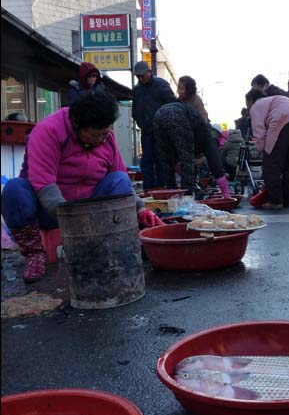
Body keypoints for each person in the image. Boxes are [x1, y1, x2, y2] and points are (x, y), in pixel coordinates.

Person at [1, 90, 161, 283]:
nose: (102, 139)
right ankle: (35, 254)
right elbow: (44, 185)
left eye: (106, 132)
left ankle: (106, 247)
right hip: (47, 211)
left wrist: (140, 208)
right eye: (95, 135)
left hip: (90, 210)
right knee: (14, 189)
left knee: (119, 179)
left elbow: (120, 178)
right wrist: (74, 222)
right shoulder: (49, 131)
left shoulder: (106, 138)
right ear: (77, 125)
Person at [153, 102, 231, 197]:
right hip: (177, 115)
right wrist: (226, 194)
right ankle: (187, 199)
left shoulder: (198, 132)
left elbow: (173, 159)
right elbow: (215, 162)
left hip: (158, 115)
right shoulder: (208, 135)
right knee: (187, 162)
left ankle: (171, 197)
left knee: (166, 160)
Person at [246, 88, 289, 209]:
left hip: (283, 120)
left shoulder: (256, 106)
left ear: (250, 100)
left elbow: (259, 131)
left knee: (271, 164)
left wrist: (262, 149)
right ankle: (288, 199)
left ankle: (275, 200)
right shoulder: (273, 100)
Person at [132, 61, 177, 190]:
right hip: (146, 130)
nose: (140, 78)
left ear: (149, 72)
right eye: (138, 76)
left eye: (142, 76)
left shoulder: (161, 85)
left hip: (161, 131)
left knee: (161, 160)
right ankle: (148, 189)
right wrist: (138, 119)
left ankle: (161, 188)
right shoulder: (137, 90)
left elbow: (172, 104)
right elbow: (135, 109)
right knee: (146, 161)